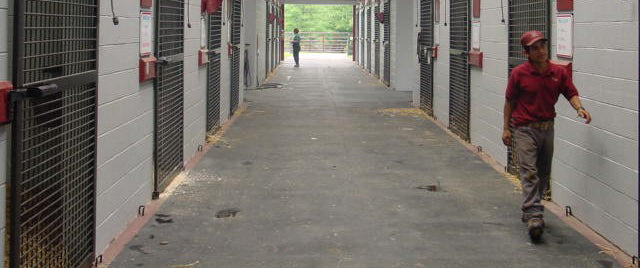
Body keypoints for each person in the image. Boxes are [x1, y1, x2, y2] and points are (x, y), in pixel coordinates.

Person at [502, 30, 592, 242]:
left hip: (547, 128)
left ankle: (531, 206)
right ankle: (535, 215)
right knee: (529, 171)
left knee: (543, 173)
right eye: (535, 48)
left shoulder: (557, 72)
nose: (541, 51)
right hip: (524, 128)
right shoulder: (519, 74)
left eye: (543, 46)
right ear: (527, 53)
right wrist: (506, 128)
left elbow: (570, 92)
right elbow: (509, 102)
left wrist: (579, 108)